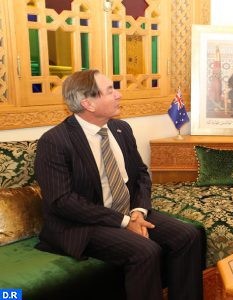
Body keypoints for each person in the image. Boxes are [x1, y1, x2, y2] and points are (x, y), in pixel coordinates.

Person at [34, 69, 203, 300]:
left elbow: (141, 175)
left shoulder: (120, 129)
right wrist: (124, 222)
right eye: (110, 90)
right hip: (83, 224)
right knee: (146, 251)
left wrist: (137, 211)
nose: (119, 95)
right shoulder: (54, 141)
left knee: (188, 235)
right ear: (88, 103)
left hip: (127, 212)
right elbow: (62, 202)